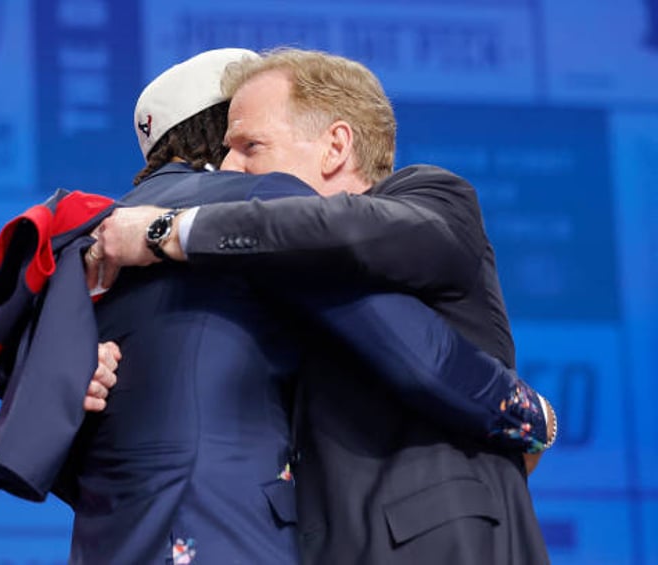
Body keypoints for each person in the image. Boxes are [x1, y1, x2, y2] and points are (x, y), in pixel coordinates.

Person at [88, 48, 552, 564]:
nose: (228, 168)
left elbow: (336, 235)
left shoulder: (434, 197)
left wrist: (166, 231)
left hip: (439, 543)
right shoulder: (259, 274)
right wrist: (95, 373)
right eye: (226, 150)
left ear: (335, 147)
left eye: (250, 146)